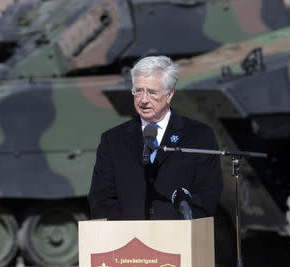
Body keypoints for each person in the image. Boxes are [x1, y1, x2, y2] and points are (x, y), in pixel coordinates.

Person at [88, 55, 223, 220]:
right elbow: (100, 199)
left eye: (152, 92)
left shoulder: (199, 135)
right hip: (129, 240)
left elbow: (207, 194)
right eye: (138, 91)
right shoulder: (113, 140)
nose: (143, 100)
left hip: (180, 239)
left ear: (169, 94)